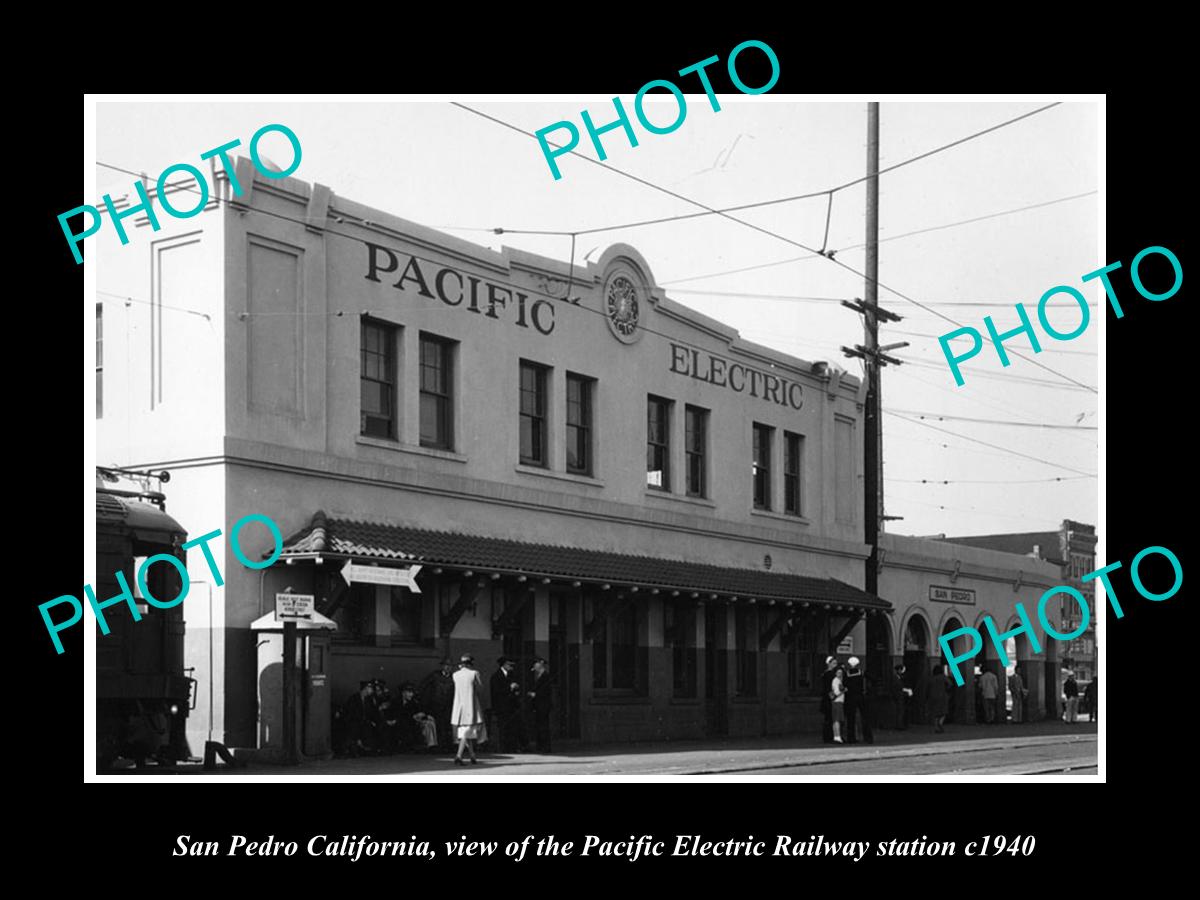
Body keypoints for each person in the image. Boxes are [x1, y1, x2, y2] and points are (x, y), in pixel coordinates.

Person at [451, 654, 485, 765]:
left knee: (466, 731)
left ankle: (472, 756)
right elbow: (480, 688)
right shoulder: (474, 673)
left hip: (459, 705)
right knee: (466, 731)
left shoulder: (455, 675)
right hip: (471, 705)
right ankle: (459, 755)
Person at [420, 658, 456, 750]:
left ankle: (447, 746)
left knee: (447, 725)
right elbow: (424, 685)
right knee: (439, 725)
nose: (448, 668)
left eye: (450, 666)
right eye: (446, 666)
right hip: (436, 704)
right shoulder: (435, 676)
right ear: (442, 666)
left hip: (448, 704)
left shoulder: (453, 678)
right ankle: (439, 746)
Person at [490, 657, 524, 752]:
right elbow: (497, 692)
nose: (511, 667)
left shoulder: (512, 675)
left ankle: (512, 747)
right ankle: (504, 748)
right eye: (509, 665)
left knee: (513, 727)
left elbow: (517, 687)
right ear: (504, 665)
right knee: (503, 728)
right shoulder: (496, 677)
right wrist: (509, 688)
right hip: (502, 707)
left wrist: (516, 691)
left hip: (512, 706)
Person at [341, 680, 379, 757]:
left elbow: (372, 712)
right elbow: (350, 714)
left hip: (365, 722)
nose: (371, 690)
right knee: (355, 728)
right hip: (355, 722)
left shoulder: (369, 699)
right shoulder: (354, 698)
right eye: (370, 688)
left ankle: (368, 749)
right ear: (365, 688)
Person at [844, 656, 873, 744]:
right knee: (865, 717)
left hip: (850, 697)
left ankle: (851, 738)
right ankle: (868, 737)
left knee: (851, 718)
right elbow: (872, 679)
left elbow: (844, 684)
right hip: (860, 696)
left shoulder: (846, 674)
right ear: (857, 664)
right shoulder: (862, 672)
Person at [527, 656, 553, 753]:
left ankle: (545, 747)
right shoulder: (538, 676)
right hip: (538, 705)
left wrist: (535, 694)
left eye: (536, 664)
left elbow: (546, 691)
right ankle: (541, 746)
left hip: (543, 705)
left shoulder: (546, 676)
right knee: (539, 726)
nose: (534, 666)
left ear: (540, 664)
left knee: (543, 726)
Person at [927, 662, 951, 733]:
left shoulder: (931, 678)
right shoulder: (943, 677)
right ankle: (940, 723)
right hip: (942, 696)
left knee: (935, 713)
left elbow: (928, 688)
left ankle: (936, 728)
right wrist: (946, 689)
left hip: (933, 697)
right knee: (944, 712)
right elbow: (950, 684)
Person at [819, 655, 838, 743]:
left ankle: (828, 737)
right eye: (834, 663)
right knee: (829, 719)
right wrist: (833, 698)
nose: (835, 665)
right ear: (829, 664)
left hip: (828, 699)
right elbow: (828, 688)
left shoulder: (826, 674)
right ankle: (828, 737)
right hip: (829, 700)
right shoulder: (829, 675)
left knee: (829, 718)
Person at [891, 663, 911, 730]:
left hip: (900, 696)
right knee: (899, 711)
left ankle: (900, 724)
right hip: (897, 696)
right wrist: (907, 690)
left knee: (901, 711)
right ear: (899, 670)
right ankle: (899, 725)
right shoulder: (895, 678)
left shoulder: (899, 678)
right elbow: (898, 687)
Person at [830, 666, 847, 743]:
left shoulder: (838, 681)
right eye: (838, 672)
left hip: (838, 701)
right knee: (837, 720)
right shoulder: (836, 681)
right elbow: (836, 692)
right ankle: (837, 736)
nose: (840, 674)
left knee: (836, 719)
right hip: (837, 701)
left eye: (841, 672)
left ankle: (836, 736)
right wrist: (844, 691)